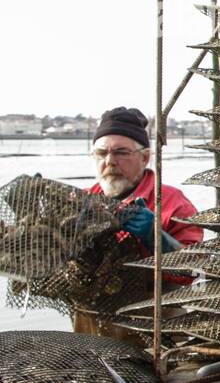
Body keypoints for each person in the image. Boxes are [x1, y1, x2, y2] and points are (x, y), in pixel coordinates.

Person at [74, 106, 205, 337]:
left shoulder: (173, 203)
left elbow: (198, 273)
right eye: (101, 153)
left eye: (121, 152)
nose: (110, 161)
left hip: (158, 332)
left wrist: (159, 239)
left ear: (145, 157)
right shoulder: (79, 201)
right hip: (91, 332)